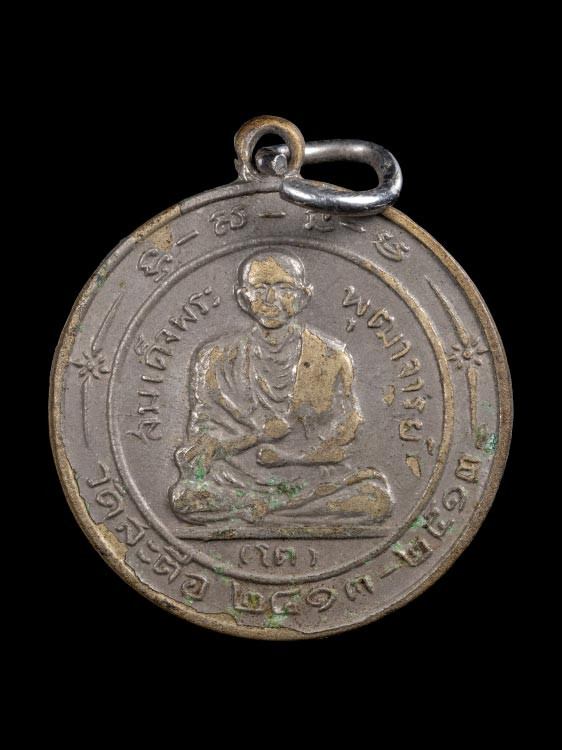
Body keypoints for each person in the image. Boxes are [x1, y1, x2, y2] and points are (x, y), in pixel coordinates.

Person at [169, 249, 393, 527]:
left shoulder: (332, 357)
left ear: (304, 297)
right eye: (260, 288)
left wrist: (289, 458)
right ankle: (282, 511)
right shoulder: (215, 357)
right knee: (185, 497)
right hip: (236, 475)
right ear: (243, 298)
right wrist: (256, 436)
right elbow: (201, 444)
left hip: (310, 473)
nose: (270, 299)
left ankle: (256, 510)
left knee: (375, 498)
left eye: (284, 288)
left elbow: (344, 441)